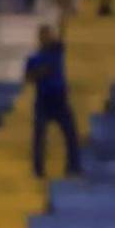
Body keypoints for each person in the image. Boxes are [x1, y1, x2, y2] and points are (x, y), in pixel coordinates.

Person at [26, 23, 81, 179]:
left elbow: (63, 35)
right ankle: (38, 169)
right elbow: (28, 77)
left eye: (49, 34)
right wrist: (40, 73)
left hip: (59, 99)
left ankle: (73, 167)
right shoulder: (33, 58)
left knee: (71, 134)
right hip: (43, 99)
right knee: (39, 136)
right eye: (44, 35)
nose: (47, 37)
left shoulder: (57, 51)